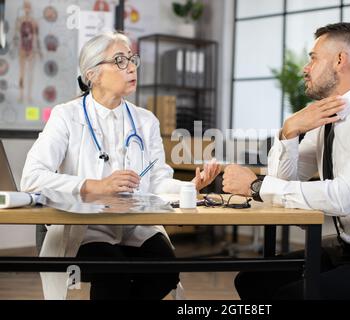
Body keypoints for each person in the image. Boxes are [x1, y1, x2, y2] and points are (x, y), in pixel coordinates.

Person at [222, 22, 350, 300]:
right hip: (347, 250)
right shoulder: (328, 118)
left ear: (339, 60)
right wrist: (289, 132)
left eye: (313, 58)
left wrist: (257, 186)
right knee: (253, 281)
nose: (305, 68)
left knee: (291, 296)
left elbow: (342, 197)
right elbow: (283, 185)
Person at [21, 32, 220, 300]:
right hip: (85, 227)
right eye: (119, 60)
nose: (131, 66)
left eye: (132, 59)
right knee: (114, 272)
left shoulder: (145, 120)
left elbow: (158, 180)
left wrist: (189, 187)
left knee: (166, 272)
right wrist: (96, 186)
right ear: (92, 74)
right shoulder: (66, 116)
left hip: (135, 224)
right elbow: (32, 178)